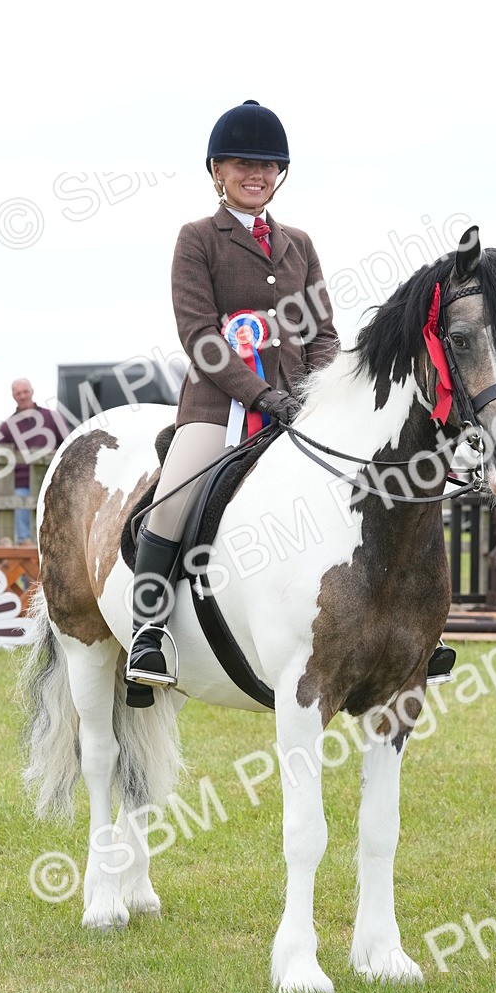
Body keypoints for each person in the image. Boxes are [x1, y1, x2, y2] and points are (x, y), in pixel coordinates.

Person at [125, 99, 340, 706]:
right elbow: (201, 338)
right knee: (172, 501)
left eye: (269, 165)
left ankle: (395, 633)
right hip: (218, 410)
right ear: (217, 170)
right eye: (245, 163)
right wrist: (263, 396)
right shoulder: (198, 240)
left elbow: (322, 332)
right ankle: (148, 633)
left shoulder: (299, 244)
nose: (258, 174)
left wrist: (319, 395)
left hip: (299, 409)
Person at [0, 379, 68, 543]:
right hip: (21, 483)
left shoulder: (52, 417)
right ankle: (25, 549)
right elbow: (1, 457)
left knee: (53, 525)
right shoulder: (7, 426)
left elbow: (68, 444)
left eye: (25, 391)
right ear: (13, 396)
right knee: (24, 533)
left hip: (51, 480)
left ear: (32, 391)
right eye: (18, 393)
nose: (22, 396)